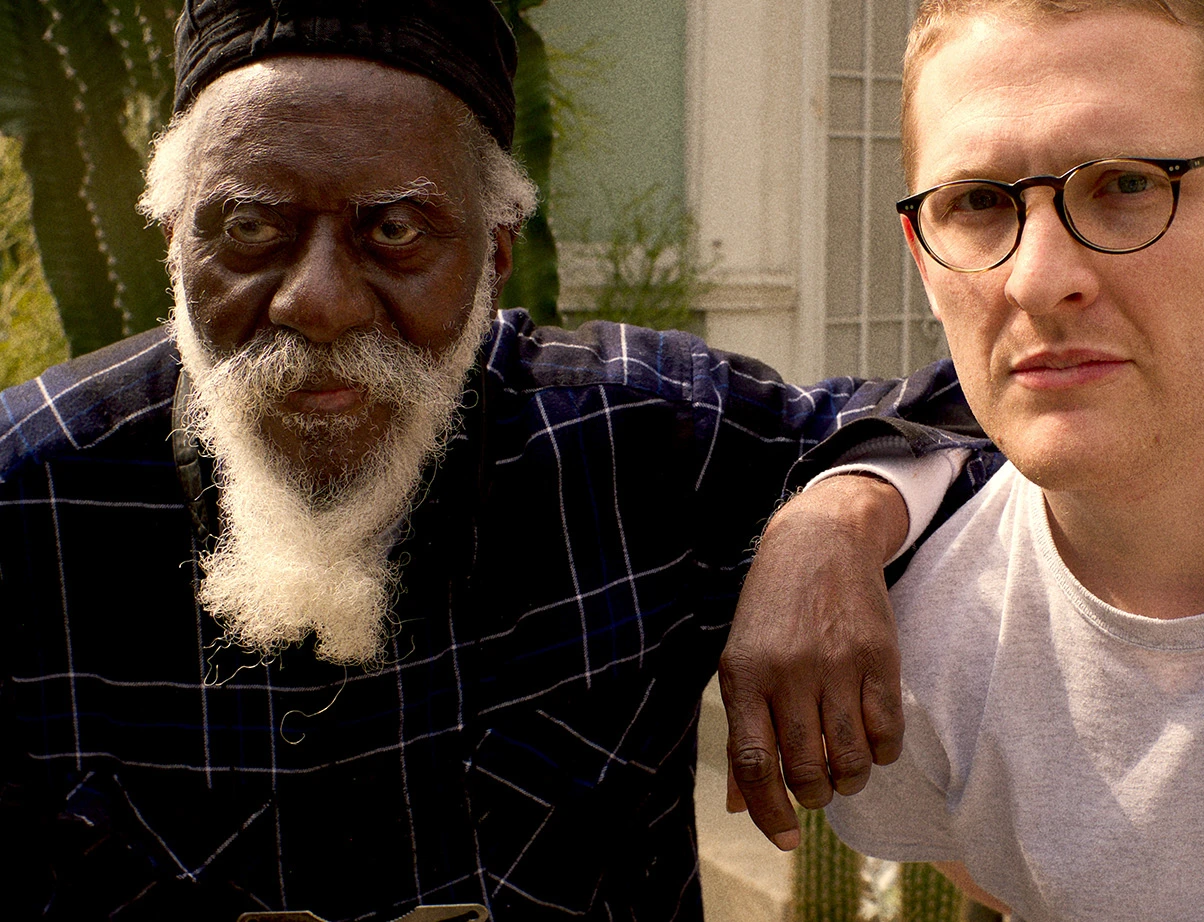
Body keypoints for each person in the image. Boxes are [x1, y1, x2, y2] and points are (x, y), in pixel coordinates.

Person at [0, 1, 998, 919]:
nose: (316, 301)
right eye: (250, 228)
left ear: (493, 253)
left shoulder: (633, 439)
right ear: (175, 243)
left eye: (393, 230)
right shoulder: (26, 499)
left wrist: (838, 510)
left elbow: (995, 415)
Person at [735, 0, 1204, 919]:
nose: (1040, 279)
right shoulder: (916, 651)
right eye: (975, 202)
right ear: (925, 263)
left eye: (1128, 184)